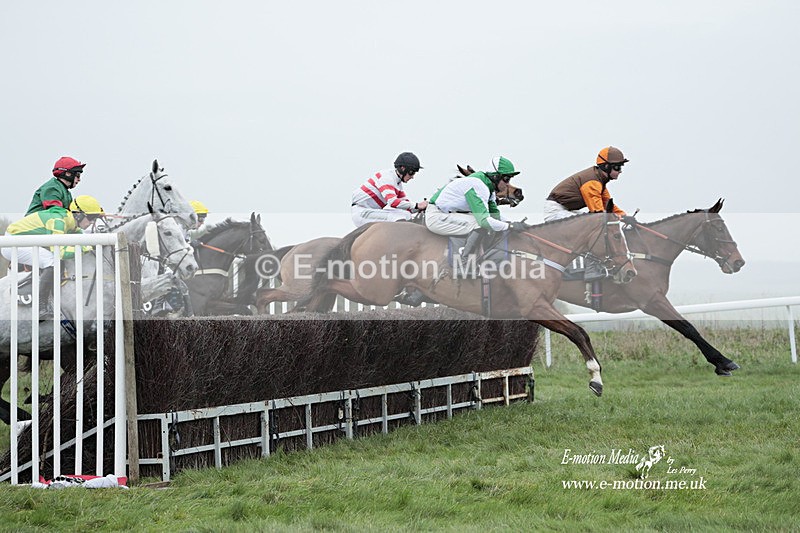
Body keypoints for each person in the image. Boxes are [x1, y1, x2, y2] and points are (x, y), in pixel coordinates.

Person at [2, 195, 104, 320]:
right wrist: (87, 248)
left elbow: (82, 240)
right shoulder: (58, 221)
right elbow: (60, 252)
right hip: (12, 244)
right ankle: (41, 307)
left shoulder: (72, 224)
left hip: (24, 242)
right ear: (78, 214)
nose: (92, 222)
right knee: (52, 261)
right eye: (91, 218)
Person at [425, 156, 525, 273]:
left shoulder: (488, 188)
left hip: (446, 214)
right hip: (436, 217)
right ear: (495, 176)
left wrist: (513, 223)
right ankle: (463, 264)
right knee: (480, 225)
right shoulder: (478, 186)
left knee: (489, 223)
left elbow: (495, 216)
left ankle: (480, 257)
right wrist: (510, 227)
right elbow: (484, 221)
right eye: (507, 179)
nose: (508, 184)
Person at [543, 146, 628, 222]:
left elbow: (607, 204)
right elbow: (598, 214)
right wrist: (618, 218)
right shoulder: (593, 183)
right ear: (607, 167)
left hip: (566, 210)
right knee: (592, 224)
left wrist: (625, 217)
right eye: (617, 167)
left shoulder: (599, 181)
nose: (620, 171)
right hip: (555, 212)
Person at [351, 152, 429, 227]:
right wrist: (417, 205)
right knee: (399, 217)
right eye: (411, 173)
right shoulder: (387, 178)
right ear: (403, 168)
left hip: (371, 211)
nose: (412, 177)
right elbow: (393, 202)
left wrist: (422, 207)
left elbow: (407, 207)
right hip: (362, 212)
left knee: (406, 215)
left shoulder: (397, 183)